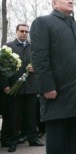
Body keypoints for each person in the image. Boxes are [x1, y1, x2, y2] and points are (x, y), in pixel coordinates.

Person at [30, 0, 76, 154]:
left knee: (75, 145)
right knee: (57, 145)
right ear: (54, 3)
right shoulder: (43, 22)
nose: (70, 1)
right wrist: (47, 87)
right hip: (57, 94)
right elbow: (39, 57)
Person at [1, 23, 44, 152]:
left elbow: (41, 64)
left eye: (26, 31)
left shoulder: (33, 47)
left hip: (31, 87)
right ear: (16, 32)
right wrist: (5, 86)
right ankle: (13, 141)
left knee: (31, 115)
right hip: (14, 87)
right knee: (15, 116)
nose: (24, 33)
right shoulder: (8, 47)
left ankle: (33, 138)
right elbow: (2, 68)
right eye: (22, 31)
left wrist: (35, 68)